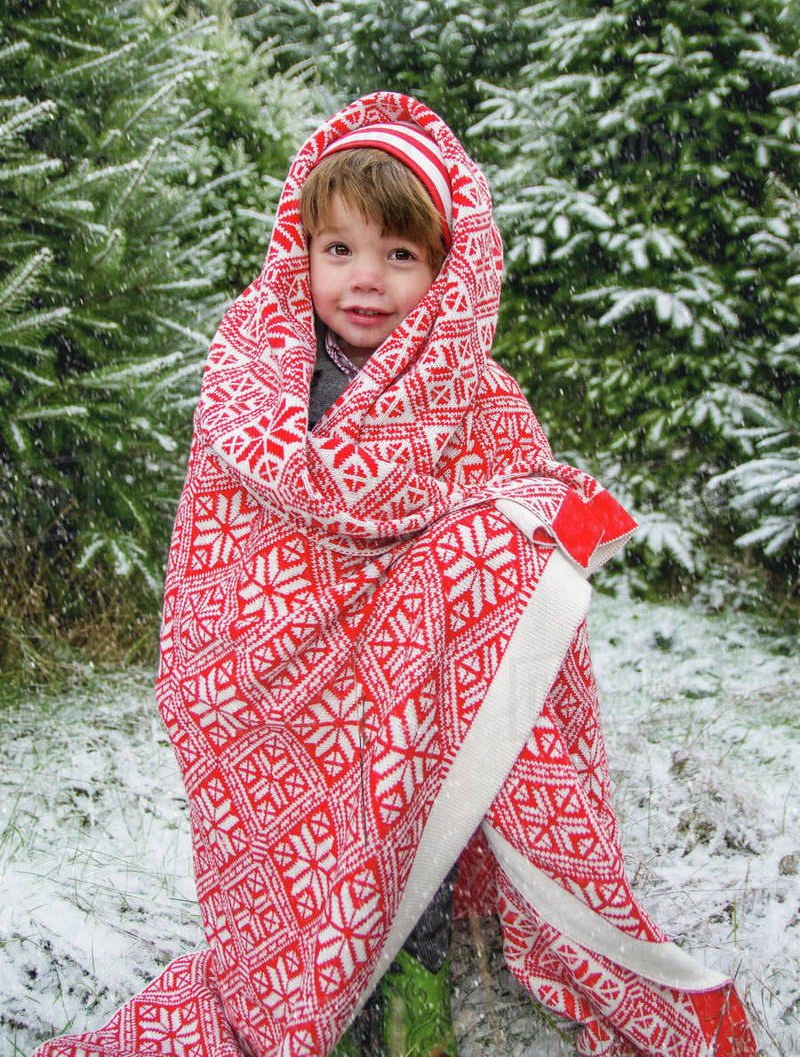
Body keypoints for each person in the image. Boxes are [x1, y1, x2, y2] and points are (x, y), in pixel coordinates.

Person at [33, 92, 757, 1057]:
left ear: (445, 271)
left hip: (409, 699)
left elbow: (517, 514)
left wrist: (530, 529)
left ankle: (414, 983)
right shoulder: (262, 385)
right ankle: (315, 995)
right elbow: (222, 556)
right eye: (340, 251)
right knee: (314, 863)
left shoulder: (470, 393)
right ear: (305, 254)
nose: (366, 280)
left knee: (414, 812)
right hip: (276, 684)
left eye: (399, 256)